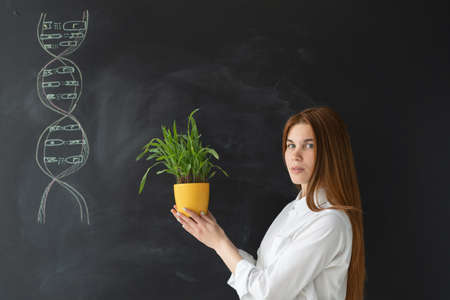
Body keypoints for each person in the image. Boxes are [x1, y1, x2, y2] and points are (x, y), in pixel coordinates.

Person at [170, 106, 366, 300]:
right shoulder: (292, 209)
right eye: (291, 145)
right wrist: (213, 236)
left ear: (331, 152)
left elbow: (268, 293)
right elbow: (262, 275)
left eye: (309, 145)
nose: (295, 155)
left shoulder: (330, 222)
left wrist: (220, 243)